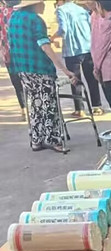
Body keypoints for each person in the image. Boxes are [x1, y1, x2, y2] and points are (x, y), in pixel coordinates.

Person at [8, 0, 79, 153]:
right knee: (49, 104)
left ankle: (36, 140)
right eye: (42, 2)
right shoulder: (36, 20)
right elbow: (45, 46)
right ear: (34, 4)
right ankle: (52, 140)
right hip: (40, 68)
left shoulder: (14, 18)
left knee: (35, 104)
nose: (45, 5)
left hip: (22, 69)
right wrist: (64, 70)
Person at [52, 0, 104, 117]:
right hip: (87, 48)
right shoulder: (82, 9)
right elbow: (91, 27)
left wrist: (52, 38)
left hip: (72, 50)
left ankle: (80, 109)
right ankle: (97, 106)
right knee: (91, 79)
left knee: (75, 79)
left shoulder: (61, 10)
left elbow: (63, 29)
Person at [0, 0, 25, 121]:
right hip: (24, 53)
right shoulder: (23, 12)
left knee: (17, 83)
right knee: (28, 81)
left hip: (8, 54)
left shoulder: (1, 13)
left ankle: (23, 109)